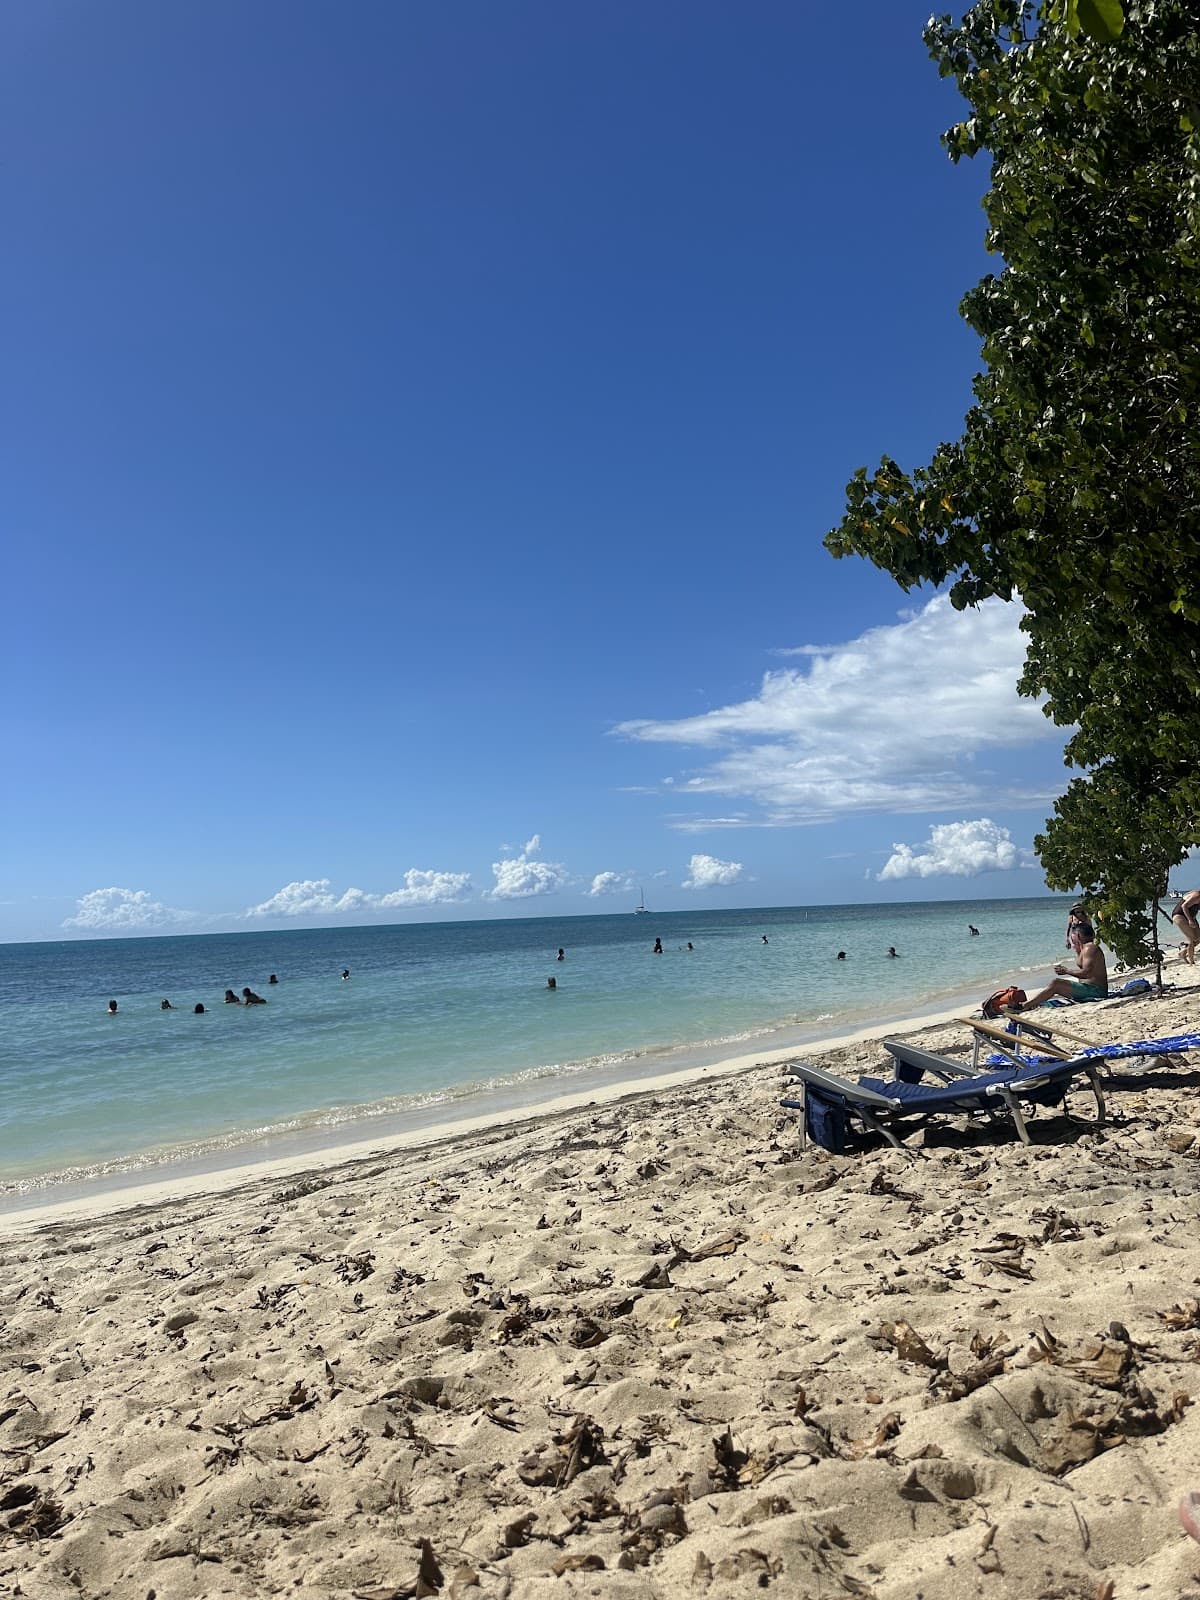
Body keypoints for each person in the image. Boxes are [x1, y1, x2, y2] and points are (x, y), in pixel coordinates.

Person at [1017, 921, 1108, 1009]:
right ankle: (1031, 1003)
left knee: (1056, 983)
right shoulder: (1085, 948)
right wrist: (1078, 948)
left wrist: (1066, 971)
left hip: (1096, 991)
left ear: (1078, 936)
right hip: (1089, 989)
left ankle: (1025, 1006)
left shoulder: (1089, 948)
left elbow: (1087, 973)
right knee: (1055, 985)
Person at [1169, 890, 1200, 964]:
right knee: (1192, 939)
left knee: (1198, 938)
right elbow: (1184, 906)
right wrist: (1190, 920)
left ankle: (1183, 953)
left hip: (1191, 916)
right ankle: (1192, 962)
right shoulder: (1197, 896)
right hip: (1180, 915)